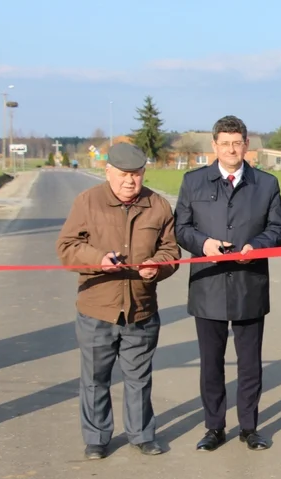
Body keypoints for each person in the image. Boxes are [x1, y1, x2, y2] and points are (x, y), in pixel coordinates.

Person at [56, 142, 181, 460]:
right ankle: (96, 438)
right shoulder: (87, 202)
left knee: (139, 377)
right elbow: (67, 247)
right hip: (97, 308)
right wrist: (98, 259)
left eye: (137, 174)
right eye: (125, 174)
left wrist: (158, 267)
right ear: (108, 171)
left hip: (141, 308)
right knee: (96, 378)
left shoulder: (158, 206)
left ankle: (142, 434)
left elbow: (171, 251)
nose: (131, 181)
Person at [174, 115, 281, 452]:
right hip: (207, 284)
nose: (231, 149)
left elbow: (278, 228)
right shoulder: (193, 182)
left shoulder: (266, 184)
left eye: (237, 142)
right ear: (215, 146)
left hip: (248, 283)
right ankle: (214, 427)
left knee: (249, 362)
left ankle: (249, 427)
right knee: (211, 363)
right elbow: (181, 228)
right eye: (225, 143)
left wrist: (258, 246)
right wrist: (203, 244)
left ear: (246, 145)